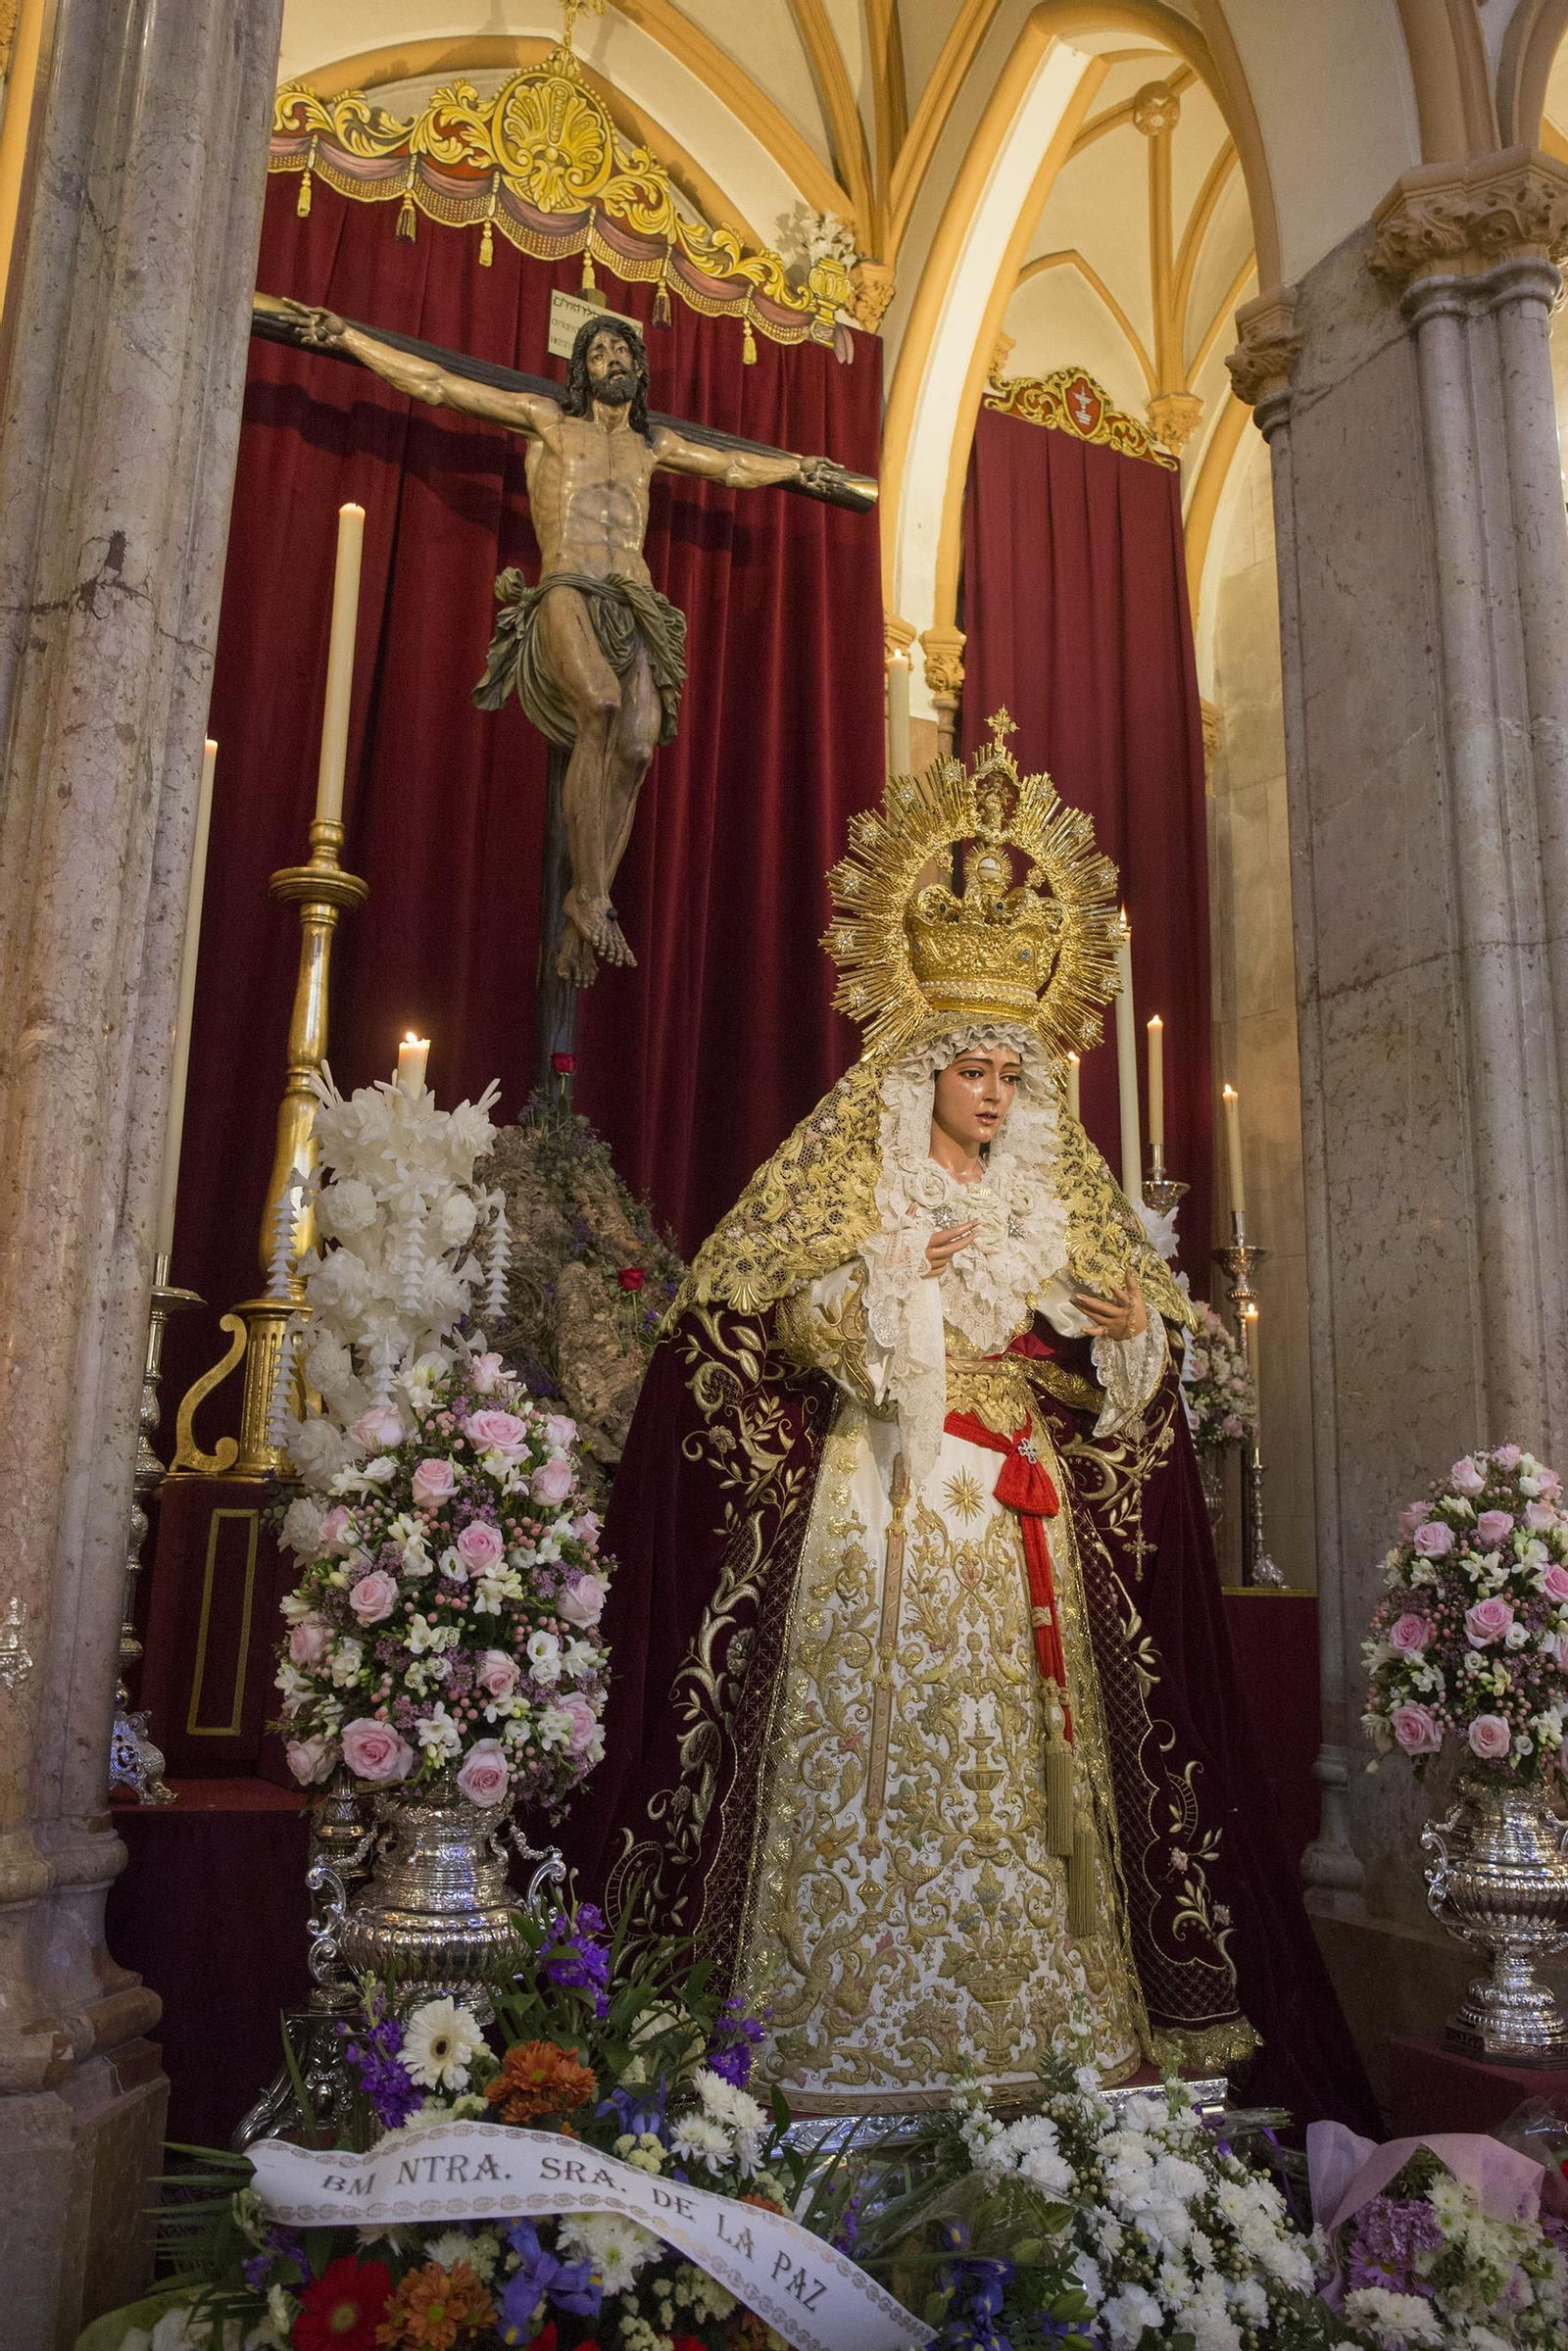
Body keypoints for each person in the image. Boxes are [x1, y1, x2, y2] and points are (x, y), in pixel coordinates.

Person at [566, 730, 1376, 2129]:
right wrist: (884, 1281)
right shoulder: (854, 1180)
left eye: (1011, 1069)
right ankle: (842, 2030)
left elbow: (1115, 1362)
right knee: (877, 1759)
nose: (995, 1091)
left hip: (1017, 1513)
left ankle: (1053, 2028)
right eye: (973, 1068)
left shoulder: (1048, 1192)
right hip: (884, 1493)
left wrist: (1129, 1333)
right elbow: (759, 1312)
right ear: (923, 1066)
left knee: (1029, 1765)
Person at [282, 303, 846, 983]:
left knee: (637, 746)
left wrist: (795, 469)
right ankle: (591, 897)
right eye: (600, 352)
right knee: (601, 705)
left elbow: (729, 467)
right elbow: (436, 384)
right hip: (568, 585)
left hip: (633, 600)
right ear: (582, 369)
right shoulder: (549, 421)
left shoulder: (653, 446)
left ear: (639, 370)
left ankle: (588, 899)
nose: (613, 360)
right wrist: (349, 337)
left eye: (623, 352)